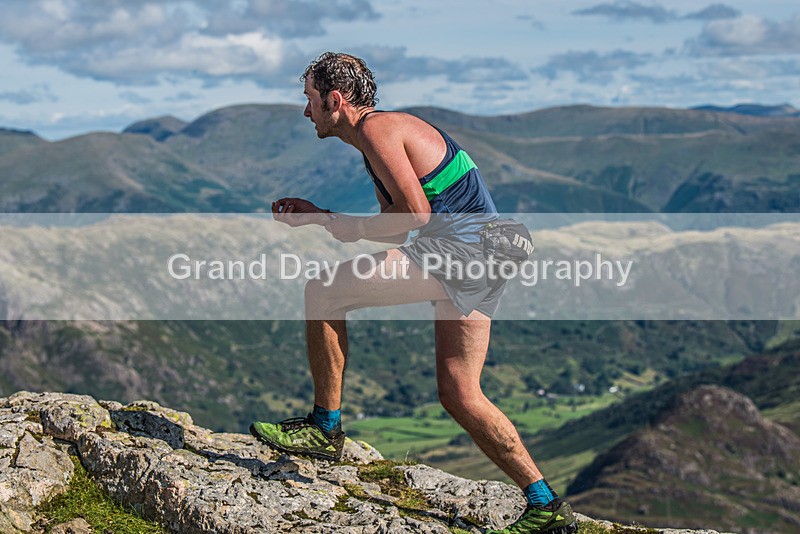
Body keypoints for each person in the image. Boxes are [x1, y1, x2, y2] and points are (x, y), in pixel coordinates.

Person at [250, 52, 577, 534]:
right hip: (489, 251)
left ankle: (325, 427)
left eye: (310, 100)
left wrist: (345, 224)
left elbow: (417, 218)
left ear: (335, 100)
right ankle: (545, 505)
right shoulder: (375, 139)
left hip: (462, 250)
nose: (306, 112)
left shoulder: (379, 131)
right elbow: (393, 230)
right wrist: (322, 217)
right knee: (460, 393)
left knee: (322, 293)